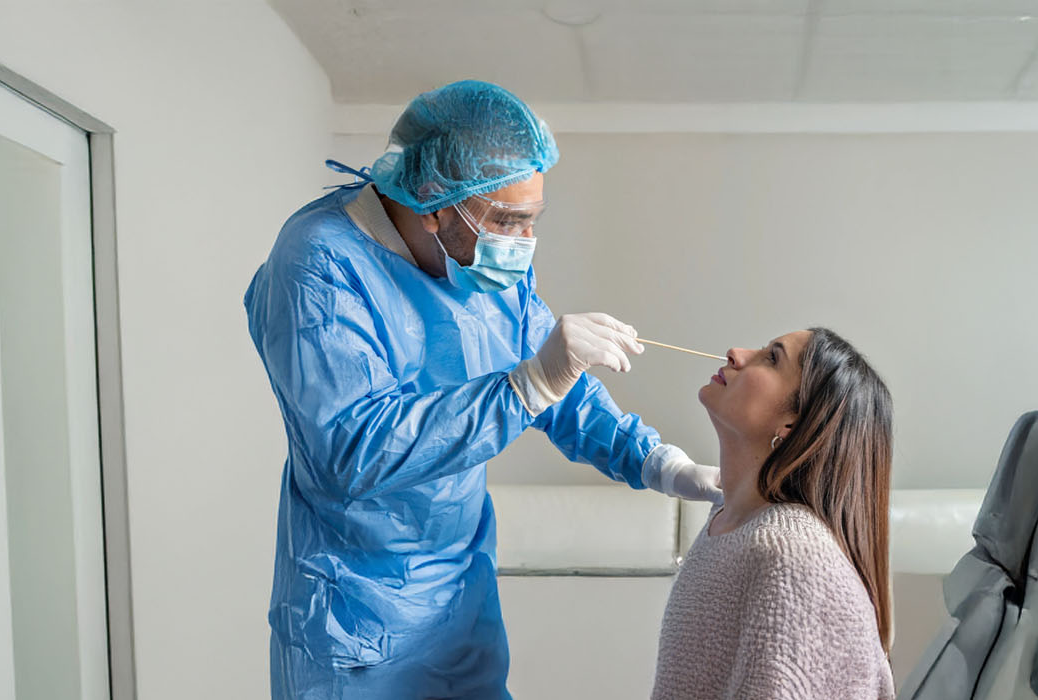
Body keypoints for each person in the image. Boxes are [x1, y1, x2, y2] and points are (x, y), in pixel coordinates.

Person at [245, 80, 722, 699]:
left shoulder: (475, 262)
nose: (522, 245)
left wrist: (662, 465)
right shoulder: (319, 264)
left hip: (460, 600)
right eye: (508, 221)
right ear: (433, 205)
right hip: (358, 618)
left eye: (532, 222)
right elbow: (349, 451)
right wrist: (528, 385)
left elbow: (556, 379)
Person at [652, 328, 896, 700]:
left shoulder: (792, 558)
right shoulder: (727, 524)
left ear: (793, 425)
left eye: (771, 358)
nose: (735, 352)